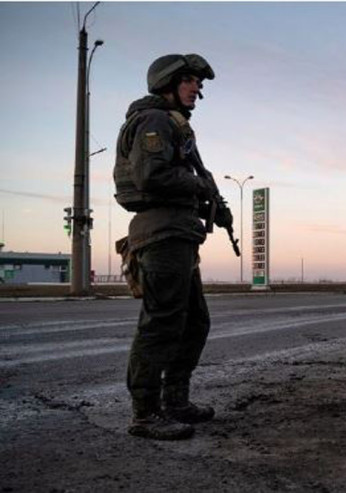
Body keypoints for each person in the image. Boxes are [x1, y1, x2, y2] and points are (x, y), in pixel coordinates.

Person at [113, 54, 233, 440]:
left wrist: (213, 207)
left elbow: (173, 176)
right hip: (162, 232)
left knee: (195, 322)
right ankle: (145, 415)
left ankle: (175, 401)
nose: (197, 89)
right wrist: (200, 188)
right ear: (169, 83)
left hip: (178, 232)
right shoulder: (155, 121)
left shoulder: (174, 125)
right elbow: (153, 176)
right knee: (162, 323)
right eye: (191, 82)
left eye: (198, 83)